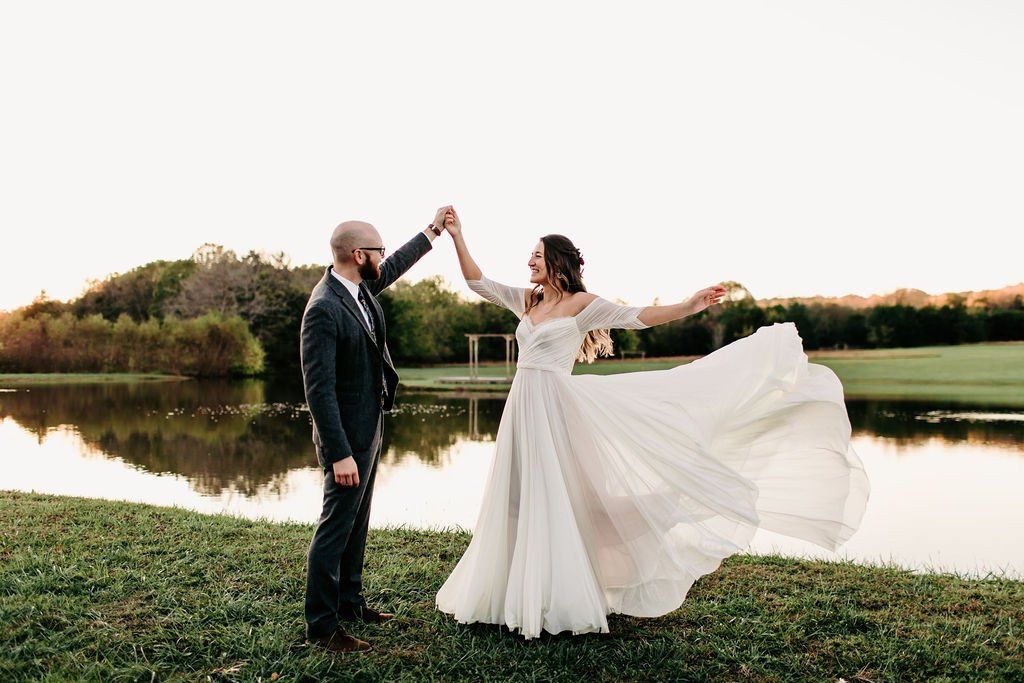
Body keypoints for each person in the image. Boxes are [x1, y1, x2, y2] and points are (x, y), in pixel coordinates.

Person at [435, 207, 870, 640]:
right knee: (516, 497)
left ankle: (580, 575)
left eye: (536, 255)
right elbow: (479, 283)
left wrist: (690, 305)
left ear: (558, 263)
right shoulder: (528, 300)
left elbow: (637, 316)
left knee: (564, 497)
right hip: (521, 409)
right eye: (529, 255)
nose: (529, 261)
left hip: (557, 410)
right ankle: (515, 589)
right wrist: (457, 236)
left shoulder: (582, 305)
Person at [302, 208, 449, 653]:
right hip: (345, 438)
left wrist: (433, 231)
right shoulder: (325, 307)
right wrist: (339, 452)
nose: (384, 256)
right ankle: (323, 627)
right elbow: (319, 390)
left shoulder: (359, 290)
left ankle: (350, 602)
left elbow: (398, 264)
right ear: (358, 253)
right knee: (335, 528)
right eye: (379, 250)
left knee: (357, 522)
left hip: (370, 426)